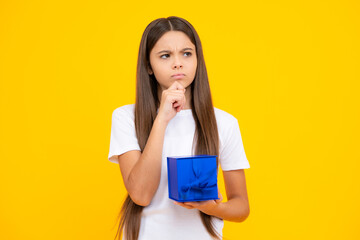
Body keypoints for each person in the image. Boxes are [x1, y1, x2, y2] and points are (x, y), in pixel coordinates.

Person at [108, 16, 250, 240]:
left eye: (186, 53)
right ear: (149, 66)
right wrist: (162, 119)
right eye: (165, 55)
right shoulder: (126, 117)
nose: (178, 63)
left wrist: (212, 208)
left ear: (197, 59)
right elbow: (141, 195)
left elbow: (241, 207)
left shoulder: (224, 123)